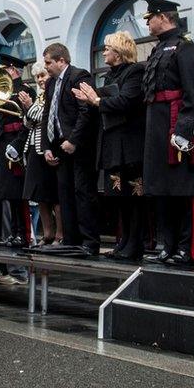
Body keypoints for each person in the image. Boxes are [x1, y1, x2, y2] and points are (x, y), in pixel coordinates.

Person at [139, 0, 194, 266]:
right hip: (156, 122)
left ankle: (186, 248)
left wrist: (184, 129)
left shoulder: (185, 47)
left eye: (149, 18)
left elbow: (193, 91)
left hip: (176, 122)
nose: (147, 22)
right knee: (161, 189)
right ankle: (168, 244)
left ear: (163, 17)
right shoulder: (157, 50)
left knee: (180, 189)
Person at [73, 31, 146, 260]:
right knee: (118, 196)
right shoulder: (109, 76)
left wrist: (96, 100)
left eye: (107, 48)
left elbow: (126, 101)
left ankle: (135, 244)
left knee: (134, 196)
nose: (103, 52)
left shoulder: (135, 72)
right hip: (113, 144)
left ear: (119, 51)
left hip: (131, 144)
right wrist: (92, 100)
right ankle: (123, 241)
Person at [40, 43, 98, 256]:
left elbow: (86, 112)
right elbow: (48, 113)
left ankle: (89, 241)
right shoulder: (51, 84)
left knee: (82, 192)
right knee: (64, 194)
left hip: (79, 146)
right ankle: (71, 238)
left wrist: (73, 140)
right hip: (59, 146)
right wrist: (46, 145)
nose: (46, 67)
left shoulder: (79, 76)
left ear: (61, 61)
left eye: (49, 62)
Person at [0, 53, 36, 249]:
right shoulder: (2, 91)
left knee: (19, 191)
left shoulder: (24, 90)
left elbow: (27, 119)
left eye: (3, 70)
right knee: (8, 192)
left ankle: (23, 233)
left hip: (18, 144)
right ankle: (12, 231)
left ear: (12, 70)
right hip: (4, 143)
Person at [19, 63, 61, 245]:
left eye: (43, 75)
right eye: (37, 77)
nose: (40, 80)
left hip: (50, 148)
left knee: (55, 195)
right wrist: (29, 111)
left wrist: (29, 108)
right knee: (40, 195)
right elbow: (27, 122)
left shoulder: (54, 93)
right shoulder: (41, 96)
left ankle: (60, 234)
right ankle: (48, 233)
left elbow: (43, 116)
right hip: (35, 149)